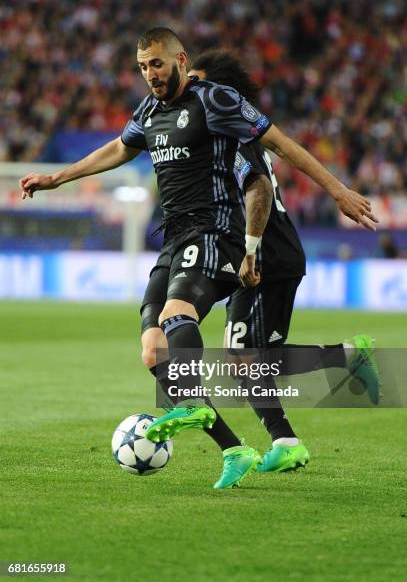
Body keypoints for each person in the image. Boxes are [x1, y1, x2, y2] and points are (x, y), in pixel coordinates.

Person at [20, 27, 378, 489]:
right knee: (155, 352)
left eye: (158, 64)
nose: (150, 74)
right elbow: (119, 148)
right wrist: (59, 178)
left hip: (214, 230)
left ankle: (216, 413)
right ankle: (234, 447)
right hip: (172, 237)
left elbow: (280, 145)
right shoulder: (149, 110)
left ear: (181, 60)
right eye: (143, 66)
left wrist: (337, 191)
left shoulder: (216, 100)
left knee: (194, 325)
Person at [188, 50, 382, 473]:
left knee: (242, 357)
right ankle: (347, 358)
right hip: (268, 254)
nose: (191, 90)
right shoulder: (220, 134)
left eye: (197, 81)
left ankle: (287, 439)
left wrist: (252, 250)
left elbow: (258, 189)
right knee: (254, 358)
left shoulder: (235, 135)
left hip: (268, 257)